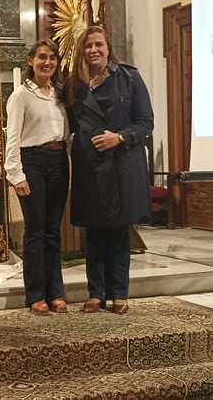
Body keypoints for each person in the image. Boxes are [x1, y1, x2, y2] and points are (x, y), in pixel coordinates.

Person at [64, 25, 154, 315]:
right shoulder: (75, 85)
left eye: (98, 44)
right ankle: (95, 294)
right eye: (88, 45)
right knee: (94, 231)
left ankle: (119, 294)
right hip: (90, 165)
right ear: (82, 51)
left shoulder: (129, 77)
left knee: (117, 230)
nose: (94, 50)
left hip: (121, 164)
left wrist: (119, 138)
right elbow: (69, 124)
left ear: (107, 47)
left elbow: (145, 122)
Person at [3, 39, 70, 315]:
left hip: (58, 161)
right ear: (30, 61)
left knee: (53, 231)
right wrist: (16, 174)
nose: (47, 62)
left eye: (52, 58)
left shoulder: (60, 94)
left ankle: (56, 292)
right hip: (33, 162)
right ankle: (35, 295)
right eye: (42, 57)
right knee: (36, 231)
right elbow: (14, 137)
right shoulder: (21, 96)